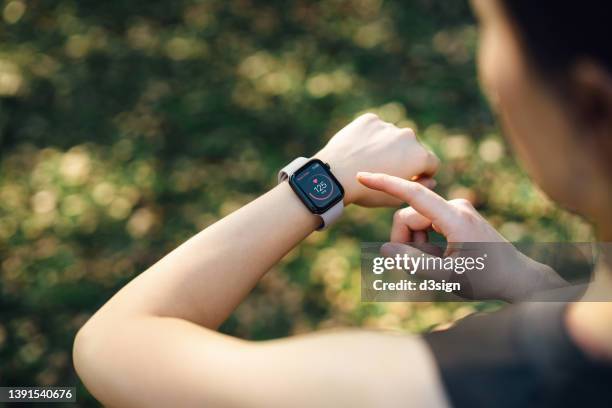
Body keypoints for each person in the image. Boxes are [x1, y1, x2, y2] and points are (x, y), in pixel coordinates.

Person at [72, 0, 612, 406]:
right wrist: (534, 284)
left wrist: (321, 179)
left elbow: (111, 341)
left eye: (490, 27)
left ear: (592, 106)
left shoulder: (451, 384)